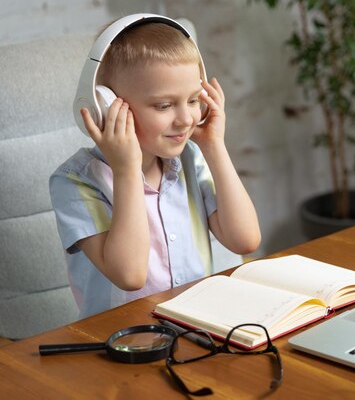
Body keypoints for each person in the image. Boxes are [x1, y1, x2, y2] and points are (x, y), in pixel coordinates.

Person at [50, 19, 261, 318]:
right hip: (124, 340)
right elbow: (131, 275)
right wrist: (126, 171)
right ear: (107, 105)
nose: (186, 119)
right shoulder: (75, 182)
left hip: (197, 324)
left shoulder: (190, 158)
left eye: (192, 100)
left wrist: (215, 146)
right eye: (163, 106)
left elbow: (245, 240)